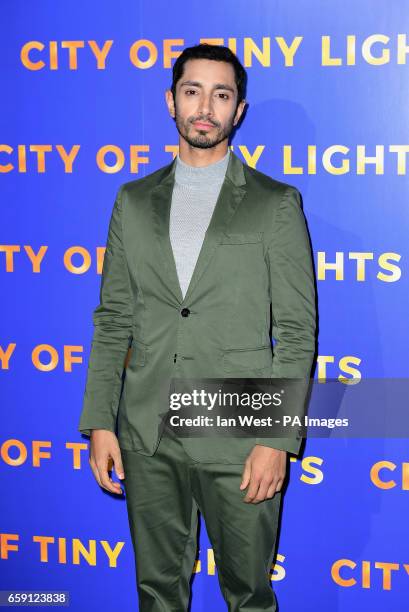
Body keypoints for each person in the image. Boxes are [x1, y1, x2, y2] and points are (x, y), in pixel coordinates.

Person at [78, 43, 316, 611]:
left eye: (221, 94)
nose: (205, 106)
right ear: (171, 101)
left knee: (249, 595)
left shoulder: (275, 203)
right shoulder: (132, 201)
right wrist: (99, 424)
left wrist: (276, 440)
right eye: (192, 91)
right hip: (147, 433)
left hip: (238, 431)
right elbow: (113, 318)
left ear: (239, 110)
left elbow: (297, 332)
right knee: (156, 593)